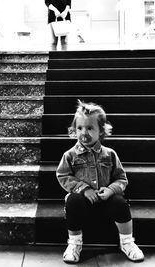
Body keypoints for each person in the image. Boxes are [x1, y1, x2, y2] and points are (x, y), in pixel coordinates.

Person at [56, 101, 144, 263]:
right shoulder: (69, 155)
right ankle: (74, 243)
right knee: (73, 201)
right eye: (80, 128)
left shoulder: (109, 154)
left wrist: (111, 190)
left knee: (120, 203)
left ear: (101, 131)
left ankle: (127, 242)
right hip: (82, 200)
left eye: (90, 128)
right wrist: (83, 189)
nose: (84, 132)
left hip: (106, 199)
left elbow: (121, 178)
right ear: (74, 130)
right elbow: (63, 176)